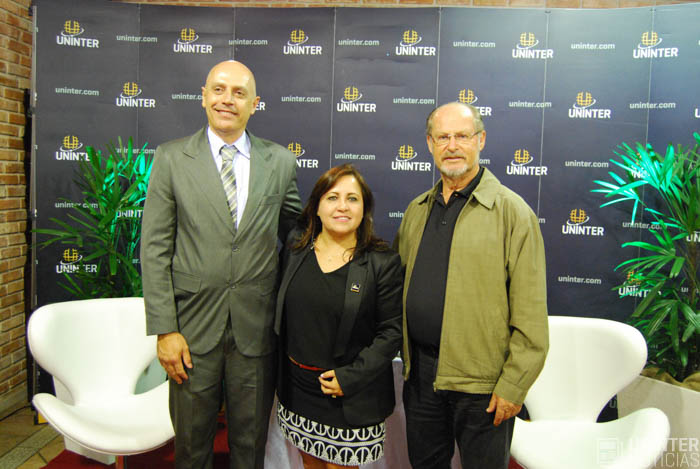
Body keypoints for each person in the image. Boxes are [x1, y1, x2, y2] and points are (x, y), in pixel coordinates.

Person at [140, 60, 302, 469]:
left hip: (256, 330)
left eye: (239, 93)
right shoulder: (172, 158)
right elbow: (155, 248)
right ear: (203, 97)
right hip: (191, 331)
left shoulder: (280, 162)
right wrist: (165, 329)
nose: (227, 100)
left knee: (250, 447)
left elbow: (298, 237)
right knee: (191, 449)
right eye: (218, 89)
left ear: (254, 104)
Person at [393, 102, 549, 469]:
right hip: (422, 378)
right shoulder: (417, 210)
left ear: (481, 140)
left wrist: (513, 386)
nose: (452, 146)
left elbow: (530, 313)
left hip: (485, 387)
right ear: (429, 143)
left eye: (462, 136)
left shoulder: (512, 213)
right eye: (443, 137)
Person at [273, 164, 403, 469]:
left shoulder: (382, 262)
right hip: (298, 392)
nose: (342, 206)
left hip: (350, 397)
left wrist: (350, 377)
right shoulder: (295, 249)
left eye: (352, 199)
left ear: (364, 209)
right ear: (316, 207)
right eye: (332, 198)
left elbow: (391, 332)